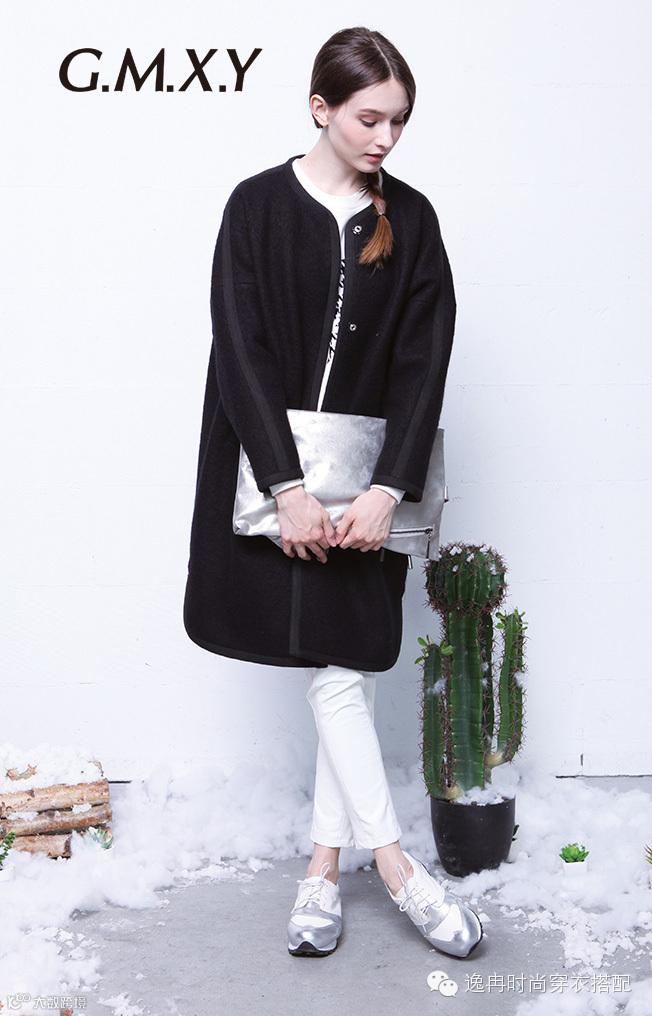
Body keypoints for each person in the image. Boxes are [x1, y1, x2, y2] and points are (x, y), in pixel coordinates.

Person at [184, 26, 483, 959]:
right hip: (269, 475)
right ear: (320, 108)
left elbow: (426, 360)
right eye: (368, 118)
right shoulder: (256, 206)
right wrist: (285, 487)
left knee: (340, 666)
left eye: (399, 121)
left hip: (365, 492)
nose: (385, 137)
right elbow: (239, 348)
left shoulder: (414, 220)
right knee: (333, 670)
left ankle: (323, 870)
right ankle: (394, 867)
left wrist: (390, 489)